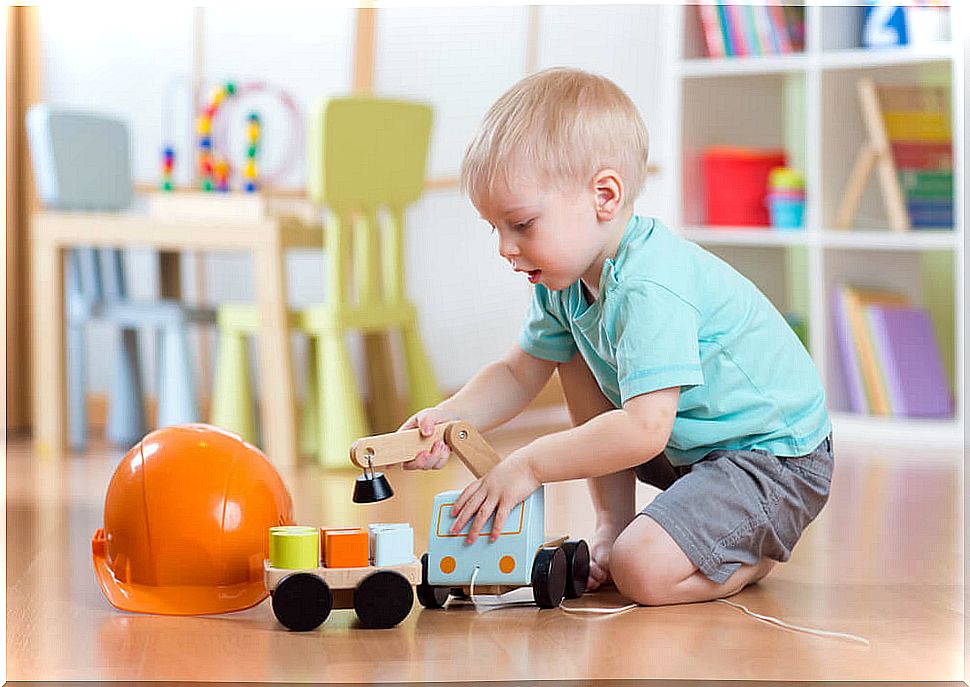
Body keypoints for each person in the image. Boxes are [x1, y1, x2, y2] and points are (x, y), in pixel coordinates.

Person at [400, 67, 833, 606]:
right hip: (693, 448)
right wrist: (451, 419)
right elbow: (516, 373)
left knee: (639, 568)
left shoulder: (648, 285)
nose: (505, 248)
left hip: (774, 459)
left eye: (522, 224)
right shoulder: (563, 284)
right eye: (496, 229)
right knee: (571, 355)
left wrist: (529, 464)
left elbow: (645, 430)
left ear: (604, 195)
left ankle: (749, 558)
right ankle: (615, 520)